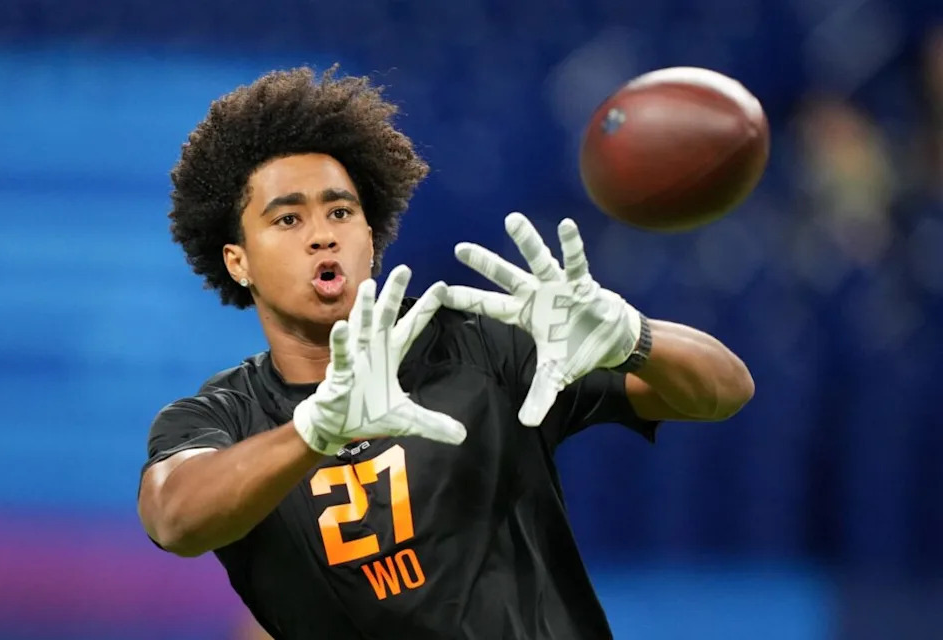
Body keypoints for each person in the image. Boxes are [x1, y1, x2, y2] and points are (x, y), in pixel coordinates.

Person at [137, 66, 755, 640]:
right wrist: (313, 430)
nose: (323, 233)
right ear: (237, 261)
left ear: (370, 238)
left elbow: (725, 390)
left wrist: (635, 340)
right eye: (287, 220)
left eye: (341, 211)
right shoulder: (217, 417)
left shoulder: (477, 346)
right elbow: (175, 518)